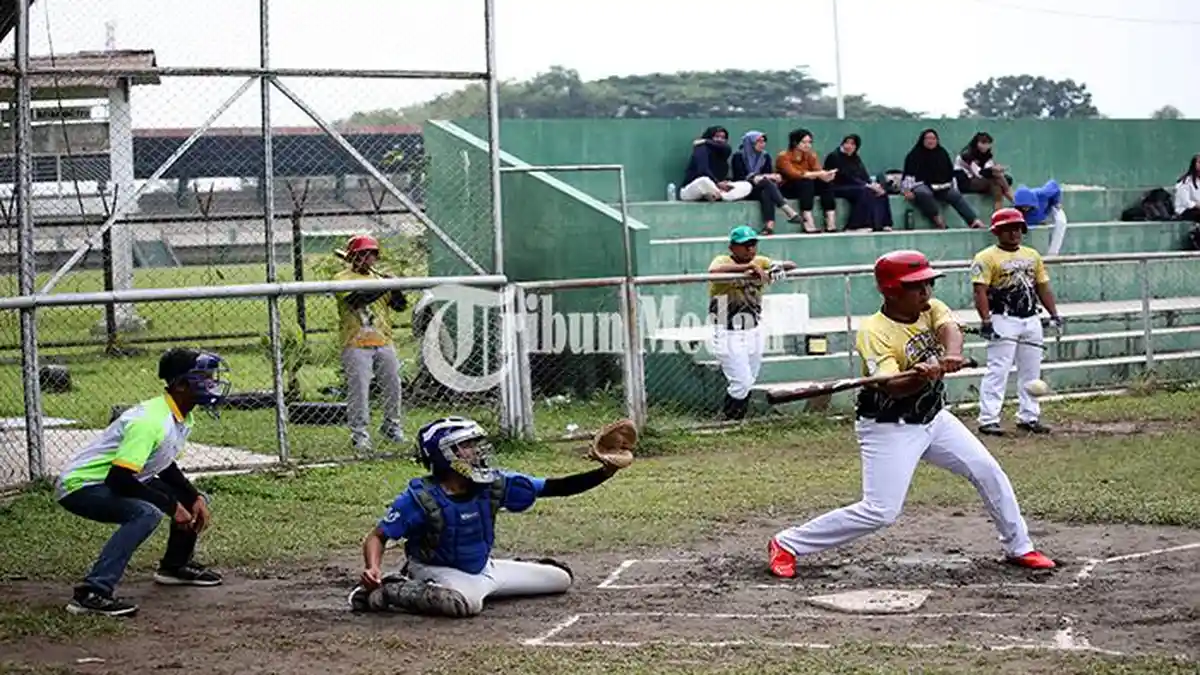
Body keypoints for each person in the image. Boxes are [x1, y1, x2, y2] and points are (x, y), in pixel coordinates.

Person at [767, 250, 1056, 578]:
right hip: (890, 426)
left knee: (988, 471)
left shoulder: (929, 308)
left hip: (934, 418)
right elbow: (894, 388)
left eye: (927, 284)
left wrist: (951, 355)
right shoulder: (874, 332)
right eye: (916, 286)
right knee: (880, 512)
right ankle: (788, 543)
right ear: (891, 291)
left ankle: (1020, 547)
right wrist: (920, 374)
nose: (926, 292)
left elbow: (950, 329)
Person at [348, 416, 630, 617]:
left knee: (561, 579)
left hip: (483, 568)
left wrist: (605, 472)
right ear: (444, 455)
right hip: (435, 568)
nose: (476, 451)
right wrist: (372, 567)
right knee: (465, 605)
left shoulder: (493, 483)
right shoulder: (420, 497)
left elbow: (556, 487)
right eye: (466, 446)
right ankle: (390, 589)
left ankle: (484, 582)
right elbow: (378, 536)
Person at [54, 348, 231, 617]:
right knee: (146, 513)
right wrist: (172, 506)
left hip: (115, 480)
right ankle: (93, 593)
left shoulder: (181, 415)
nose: (212, 384)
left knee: (193, 499)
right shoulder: (150, 420)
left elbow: (163, 464)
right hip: (82, 486)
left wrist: (192, 497)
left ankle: (174, 566)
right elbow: (120, 479)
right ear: (181, 384)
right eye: (203, 378)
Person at [971, 208, 1062, 436]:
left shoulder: (1032, 255)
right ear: (997, 232)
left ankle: (1029, 416)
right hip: (1004, 317)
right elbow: (980, 291)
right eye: (1008, 229)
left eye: (1017, 229)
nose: (1014, 234)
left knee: (1031, 369)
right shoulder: (985, 257)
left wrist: (1053, 313)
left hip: (1031, 318)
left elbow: (1042, 286)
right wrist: (986, 320)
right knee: (998, 369)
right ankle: (988, 418)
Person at [707, 225, 797, 420]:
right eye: (744, 245)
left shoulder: (760, 260)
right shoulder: (724, 260)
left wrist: (776, 267)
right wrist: (748, 268)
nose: (750, 249)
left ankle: (736, 418)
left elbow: (792, 264)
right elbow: (714, 271)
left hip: (753, 328)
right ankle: (729, 419)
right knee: (741, 381)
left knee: (750, 378)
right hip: (727, 329)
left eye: (753, 244)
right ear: (732, 247)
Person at [334, 234, 407, 454]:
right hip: (355, 343)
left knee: (393, 385)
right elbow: (356, 299)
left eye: (372, 254)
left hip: (384, 340)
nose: (368, 258)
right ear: (353, 257)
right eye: (363, 254)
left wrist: (396, 288)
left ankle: (391, 426)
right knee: (359, 390)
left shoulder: (379, 279)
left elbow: (400, 306)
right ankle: (360, 434)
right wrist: (384, 285)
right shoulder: (342, 278)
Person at [901, 128, 986, 230]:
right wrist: (907, 190)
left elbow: (950, 173)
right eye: (927, 138)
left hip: (941, 186)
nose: (930, 141)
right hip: (920, 185)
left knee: (955, 195)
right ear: (922, 140)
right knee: (923, 193)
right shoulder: (914, 155)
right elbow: (908, 174)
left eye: (933, 138)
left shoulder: (942, 153)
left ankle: (973, 221)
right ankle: (938, 221)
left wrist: (952, 186)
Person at [730, 130, 803, 235]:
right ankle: (788, 211)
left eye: (763, 141)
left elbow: (767, 174)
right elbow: (739, 177)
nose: (762, 144)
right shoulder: (739, 156)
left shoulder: (765, 156)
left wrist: (774, 177)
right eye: (758, 141)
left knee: (767, 190)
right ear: (750, 143)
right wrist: (756, 178)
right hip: (745, 189)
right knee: (767, 184)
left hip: (762, 188)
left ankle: (769, 227)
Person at [823, 133, 894, 232]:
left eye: (852, 144)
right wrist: (867, 185)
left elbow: (863, 175)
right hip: (838, 186)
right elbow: (845, 176)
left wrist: (874, 185)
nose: (849, 146)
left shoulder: (855, 158)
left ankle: (882, 223)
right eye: (847, 143)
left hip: (855, 186)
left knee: (881, 193)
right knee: (865, 191)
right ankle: (855, 226)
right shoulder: (834, 156)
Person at [776, 128, 838, 233]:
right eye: (803, 142)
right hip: (788, 186)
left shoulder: (810, 155)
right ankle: (807, 219)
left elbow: (817, 170)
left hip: (806, 185)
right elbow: (794, 174)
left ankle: (830, 219)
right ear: (795, 142)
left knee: (826, 183)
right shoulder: (783, 156)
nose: (807, 145)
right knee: (806, 182)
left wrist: (827, 176)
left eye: (809, 142)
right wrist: (818, 174)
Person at [679, 126, 753, 203]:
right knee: (704, 181)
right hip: (693, 190)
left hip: (716, 188)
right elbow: (702, 170)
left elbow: (727, 148)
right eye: (716, 137)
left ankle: (719, 196)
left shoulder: (723, 152)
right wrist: (717, 183)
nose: (720, 140)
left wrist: (725, 183)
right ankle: (719, 195)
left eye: (723, 137)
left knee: (746, 185)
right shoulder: (701, 149)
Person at [953, 131, 1015, 211]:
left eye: (988, 144)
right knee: (996, 180)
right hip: (965, 181)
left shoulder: (986, 155)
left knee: (997, 184)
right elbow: (978, 173)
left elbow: (988, 168)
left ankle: (999, 211)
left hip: (979, 180)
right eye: (983, 143)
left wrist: (996, 169)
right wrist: (993, 170)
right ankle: (1014, 201)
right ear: (976, 143)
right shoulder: (967, 154)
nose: (985, 146)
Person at [1013, 180, 1069, 256]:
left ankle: (1050, 254)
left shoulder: (1042, 194)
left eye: (1027, 206)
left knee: (1059, 224)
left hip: (1046, 214)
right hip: (1031, 225)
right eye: (1022, 206)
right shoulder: (1016, 211)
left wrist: (1056, 202)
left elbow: (1054, 185)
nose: (1025, 208)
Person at [1173, 154, 1200, 223]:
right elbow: (1186, 202)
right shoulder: (1185, 181)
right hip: (1184, 211)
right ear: (1194, 165)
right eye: (1199, 162)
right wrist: (1197, 205)